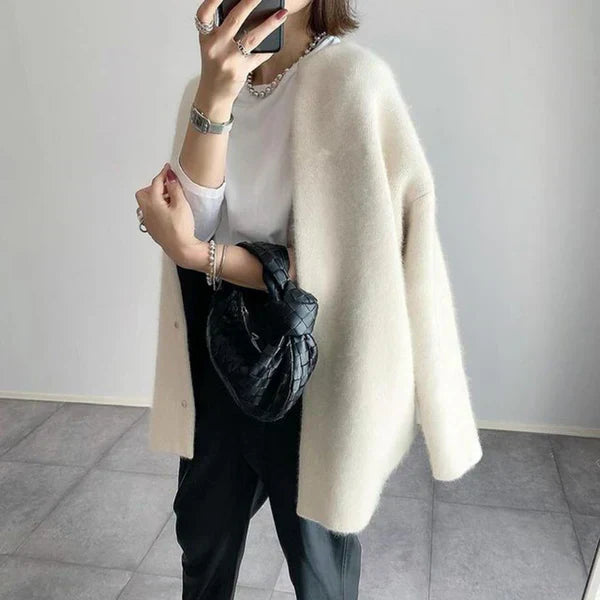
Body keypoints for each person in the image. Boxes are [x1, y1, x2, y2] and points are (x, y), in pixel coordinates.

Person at [135, 0, 483, 598]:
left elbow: (345, 267)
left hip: (314, 367)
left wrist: (203, 255)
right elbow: (189, 228)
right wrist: (215, 97)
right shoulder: (204, 88)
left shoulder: (353, 82)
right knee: (203, 539)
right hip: (220, 351)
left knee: (319, 567)